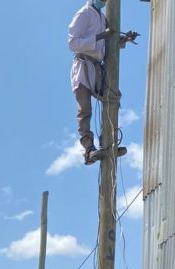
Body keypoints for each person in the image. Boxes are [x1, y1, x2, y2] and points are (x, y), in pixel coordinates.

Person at [69, 0, 106, 165]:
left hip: (97, 68)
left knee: (112, 99)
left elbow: (105, 44)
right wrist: (99, 36)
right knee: (85, 110)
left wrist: (123, 40)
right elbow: (73, 43)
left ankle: (108, 142)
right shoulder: (83, 13)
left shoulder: (103, 17)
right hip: (83, 66)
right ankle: (89, 149)